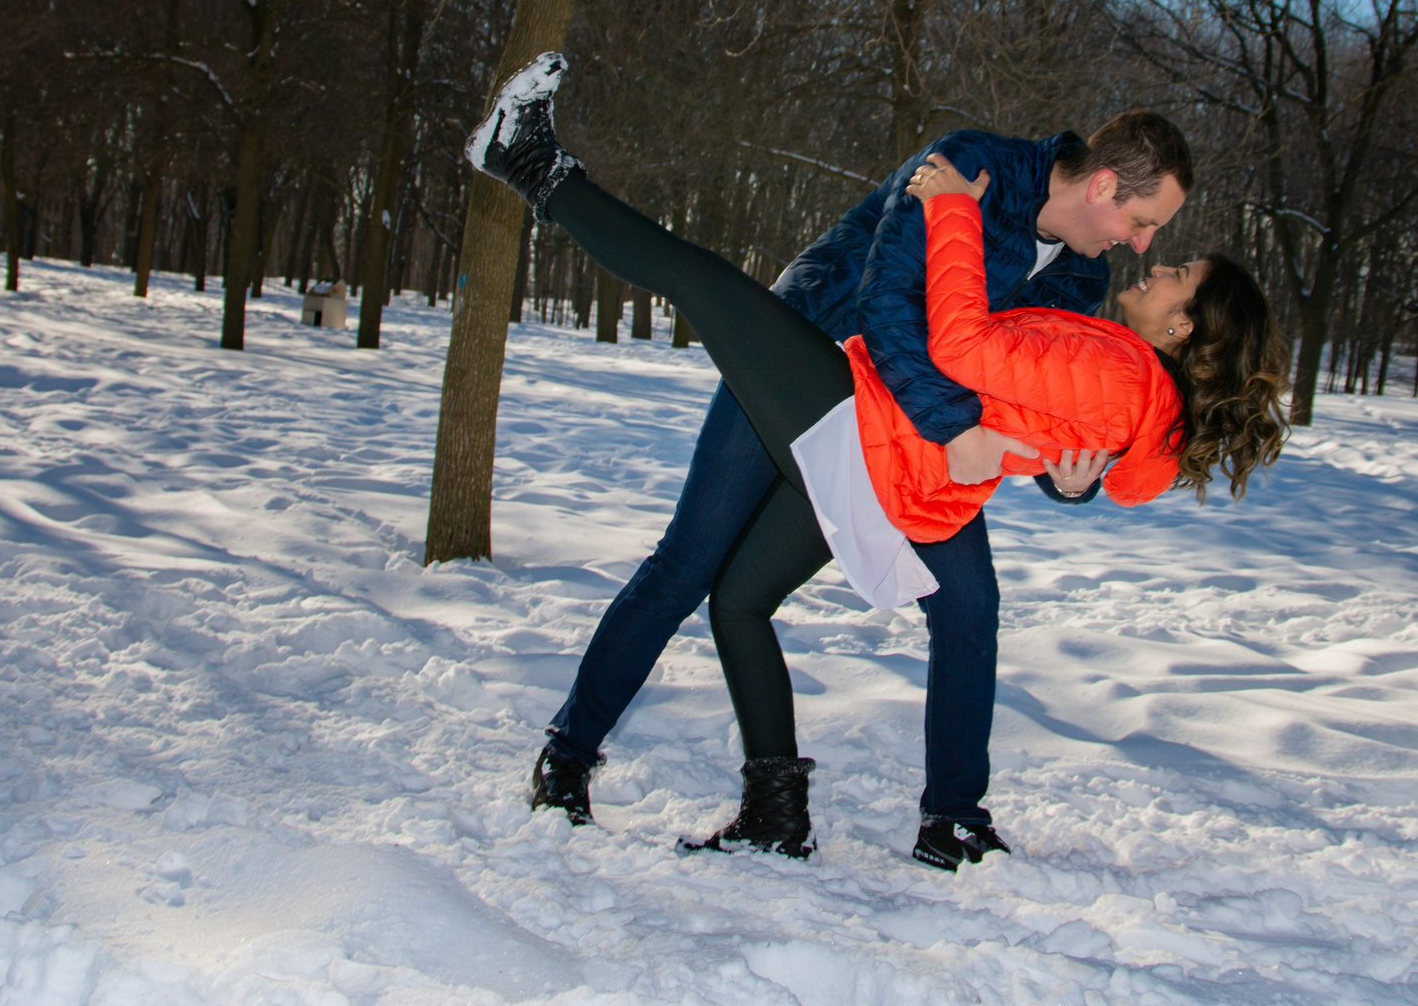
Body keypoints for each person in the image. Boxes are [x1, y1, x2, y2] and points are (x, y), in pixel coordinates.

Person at [470, 54, 1289, 868]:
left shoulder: (1082, 278)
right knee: (691, 563)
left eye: (1154, 239)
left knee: (966, 606)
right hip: (815, 358)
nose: (1143, 245)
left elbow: (1033, 395)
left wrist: (1067, 479)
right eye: (1145, 223)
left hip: (904, 443)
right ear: (1105, 186)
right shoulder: (974, 168)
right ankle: (570, 758)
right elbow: (886, 304)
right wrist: (954, 428)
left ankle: (946, 820)